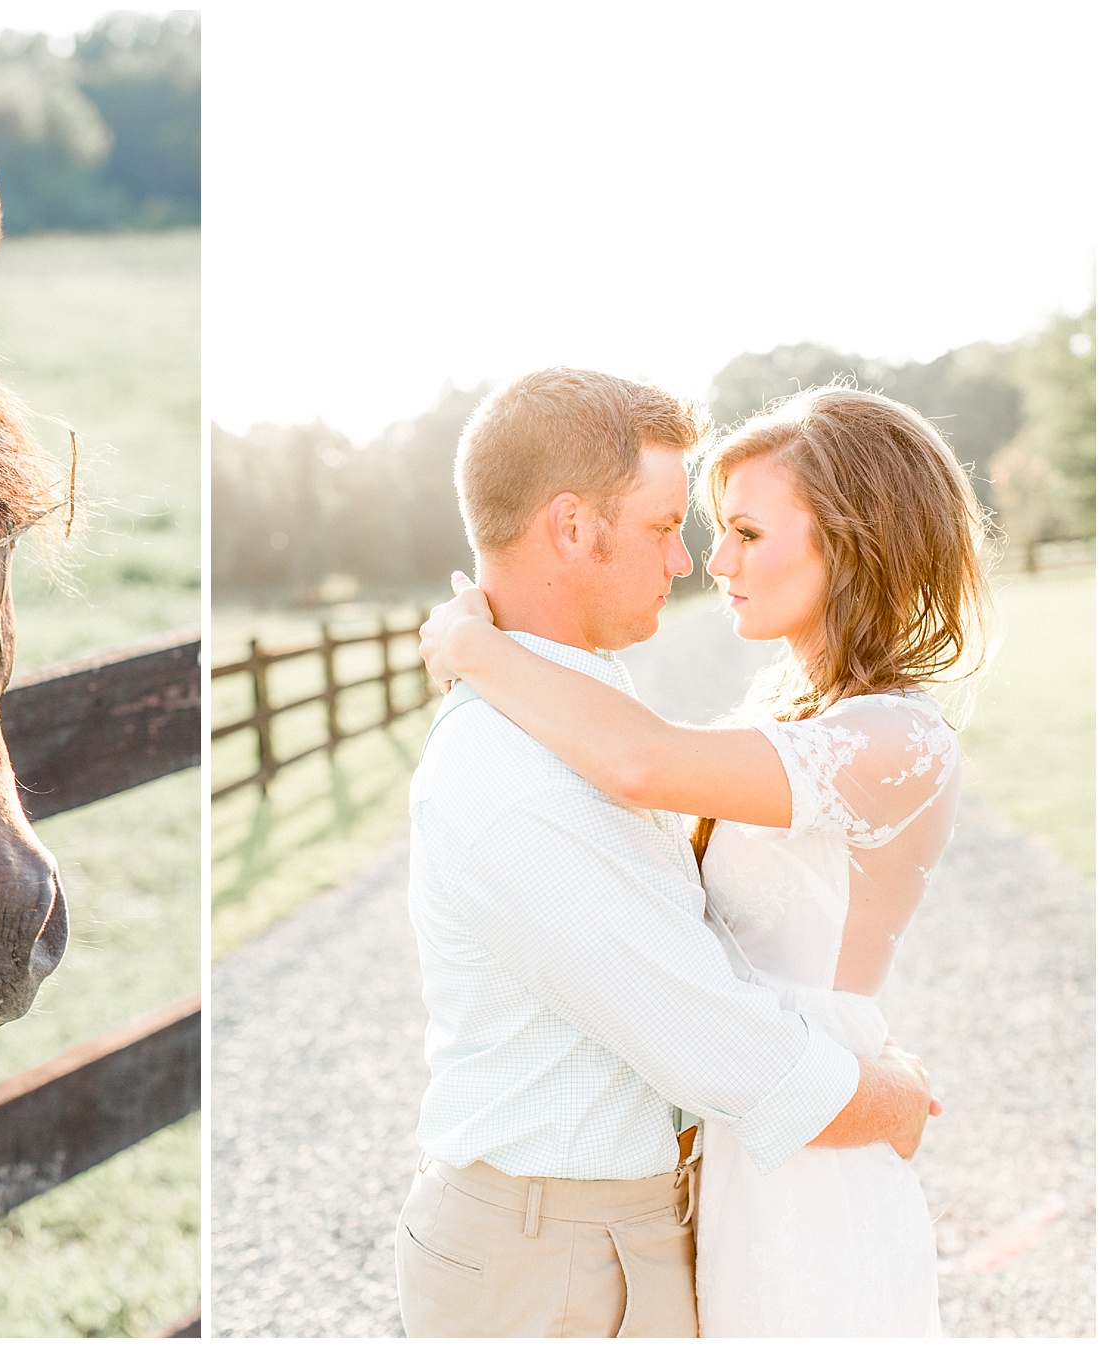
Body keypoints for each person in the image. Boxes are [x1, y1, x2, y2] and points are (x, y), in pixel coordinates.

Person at [415, 376, 991, 1335]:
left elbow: (641, 762)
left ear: (852, 544)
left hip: (810, 1141)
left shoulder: (897, 737)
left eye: (747, 533)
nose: (709, 561)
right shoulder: (777, 721)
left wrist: (476, 650)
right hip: (743, 1150)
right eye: (701, 527)